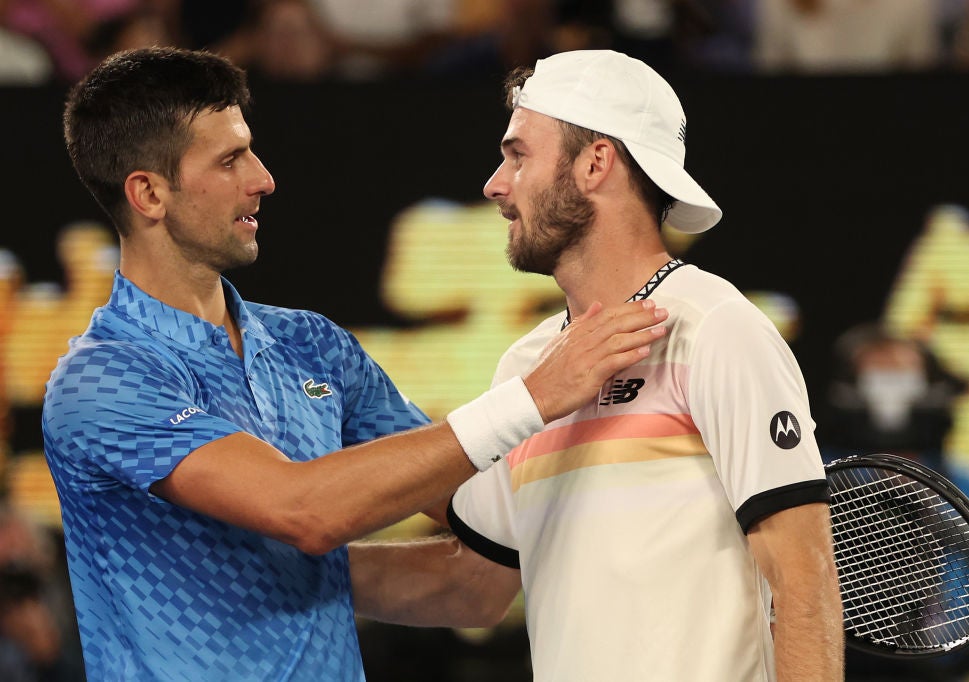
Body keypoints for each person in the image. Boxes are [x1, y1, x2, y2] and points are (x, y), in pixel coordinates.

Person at [41, 46, 669, 681]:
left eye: (250, 150)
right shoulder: (99, 380)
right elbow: (304, 513)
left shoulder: (313, 345)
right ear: (148, 193)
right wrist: (532, 397)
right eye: (230, 159)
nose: (263, 178)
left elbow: (482, 562)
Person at [348, 49, 844, 681]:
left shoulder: (715, 328)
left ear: (594, 162)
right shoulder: (527, 367)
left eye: (518, 154)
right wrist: (282, 573)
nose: (495, 185)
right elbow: (473, 584)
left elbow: (804, 584)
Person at [818, 322, 969, 682]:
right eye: (879, 372)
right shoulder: (815, 475)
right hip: (842, 662)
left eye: (903, 373)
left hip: (941, 666)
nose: (892, 385)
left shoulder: (968, 478)